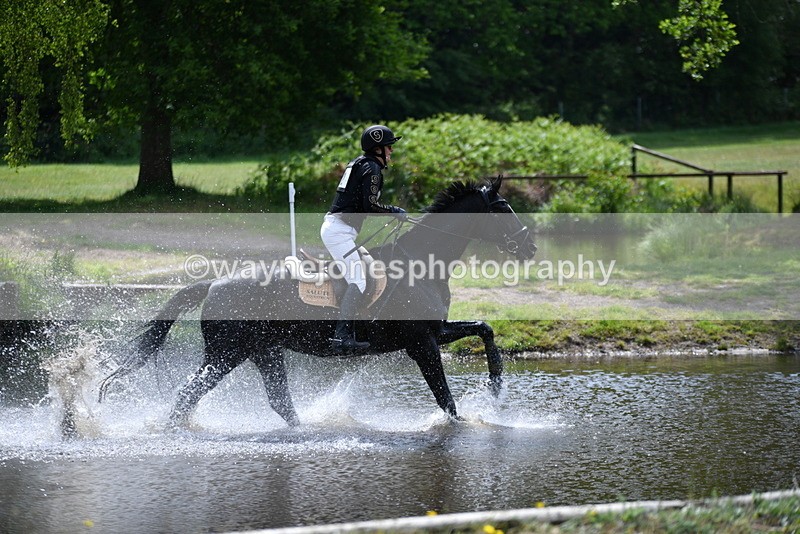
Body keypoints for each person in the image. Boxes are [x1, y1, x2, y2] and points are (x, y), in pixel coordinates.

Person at [320, 124, 407, 353]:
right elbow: (370, 205)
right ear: (377, 149)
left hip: (340, 229)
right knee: (358, 279)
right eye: (388, 147)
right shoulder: (372, 169)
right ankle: (341, 337)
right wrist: (393, 211)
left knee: (362, 272)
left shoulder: (361, 163)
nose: (391, 152)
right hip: (338, 232)